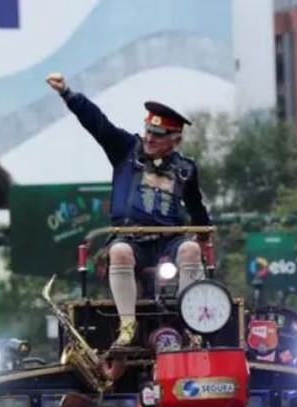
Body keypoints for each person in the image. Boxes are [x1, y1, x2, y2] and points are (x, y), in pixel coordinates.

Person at [46, 71, 211, 348]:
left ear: (176, 140)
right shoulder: (125, 149)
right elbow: (97, 123)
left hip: (169, 240)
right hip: (131, 238)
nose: (149, 138)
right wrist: (68, 94)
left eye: (158, 135)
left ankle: (191, 323)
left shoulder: (186, 169)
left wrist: (204, 235)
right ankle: (128, 325)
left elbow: (196, 206)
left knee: (191, 250)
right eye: (148, 131)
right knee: (118, 251)